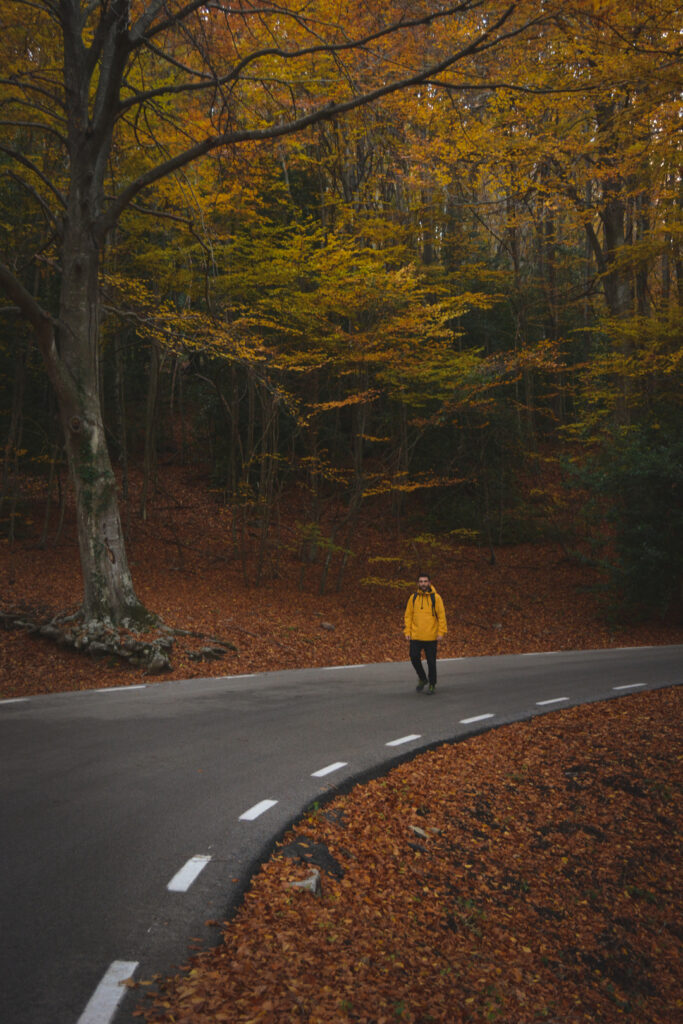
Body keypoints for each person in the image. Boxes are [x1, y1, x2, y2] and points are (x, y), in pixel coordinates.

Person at [404, 573, 447, 694]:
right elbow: (408, 616)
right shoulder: (413, 598)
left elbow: (442, 616)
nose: (423, 584)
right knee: (414, 657)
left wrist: (441, 632)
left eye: (425, 581)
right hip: (416, 635)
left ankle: (432, 684)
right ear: (418, 583)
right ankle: (423, 678)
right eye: (421, 581)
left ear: (429, 583)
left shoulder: (436, 598)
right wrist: (407, 631)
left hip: (431, 636)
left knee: (431, 662)